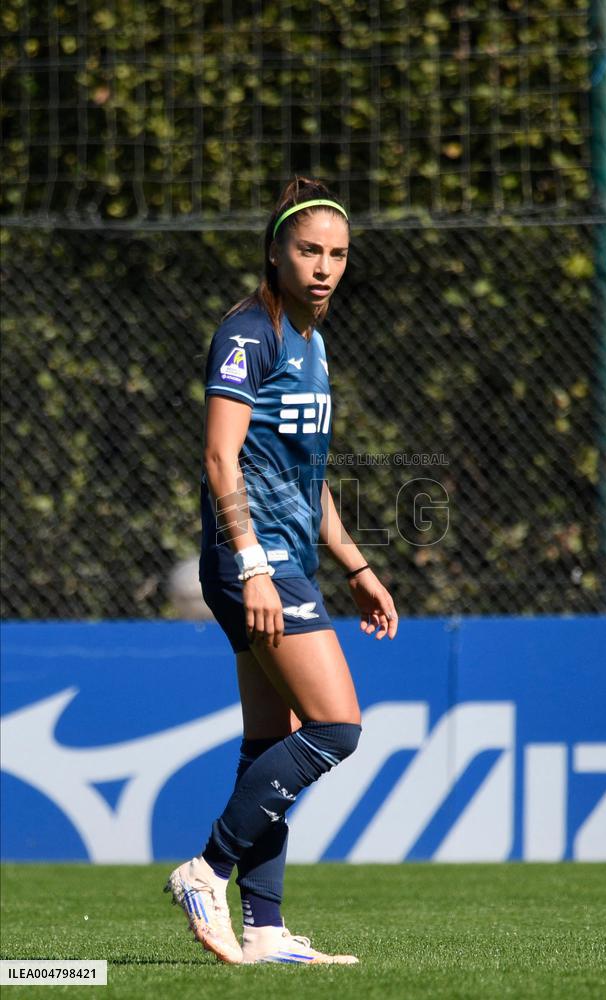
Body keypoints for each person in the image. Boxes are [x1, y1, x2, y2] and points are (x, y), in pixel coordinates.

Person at [164, 176, 399, 966]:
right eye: (309, 250)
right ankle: (208, 869)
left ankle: (264, 927)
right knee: (337, 728)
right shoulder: (248, 333)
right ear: (275, 251)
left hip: (287, 560)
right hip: (254, 563)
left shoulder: (313, 338)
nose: (325, 266)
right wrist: (256, 566)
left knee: (274, 738)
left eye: (337, 253)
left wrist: (358, 566)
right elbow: (218, 455)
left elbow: (306, 479)